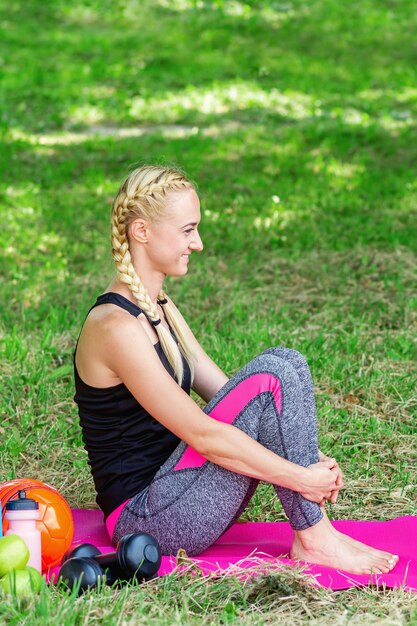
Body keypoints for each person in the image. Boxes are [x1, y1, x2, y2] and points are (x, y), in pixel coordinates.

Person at [74, 164, 398, 575]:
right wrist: (302, 477)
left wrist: (306, 452)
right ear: (142, 232)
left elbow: (226, 393)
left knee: (287, 362)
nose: (199, 243)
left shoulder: (161, 308)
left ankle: (317, 534)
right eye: (188, 230)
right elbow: (204, 435)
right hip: (145, 520)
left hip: (178, 484)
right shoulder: (115, 327)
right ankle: (315, 538)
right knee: (272, 375)